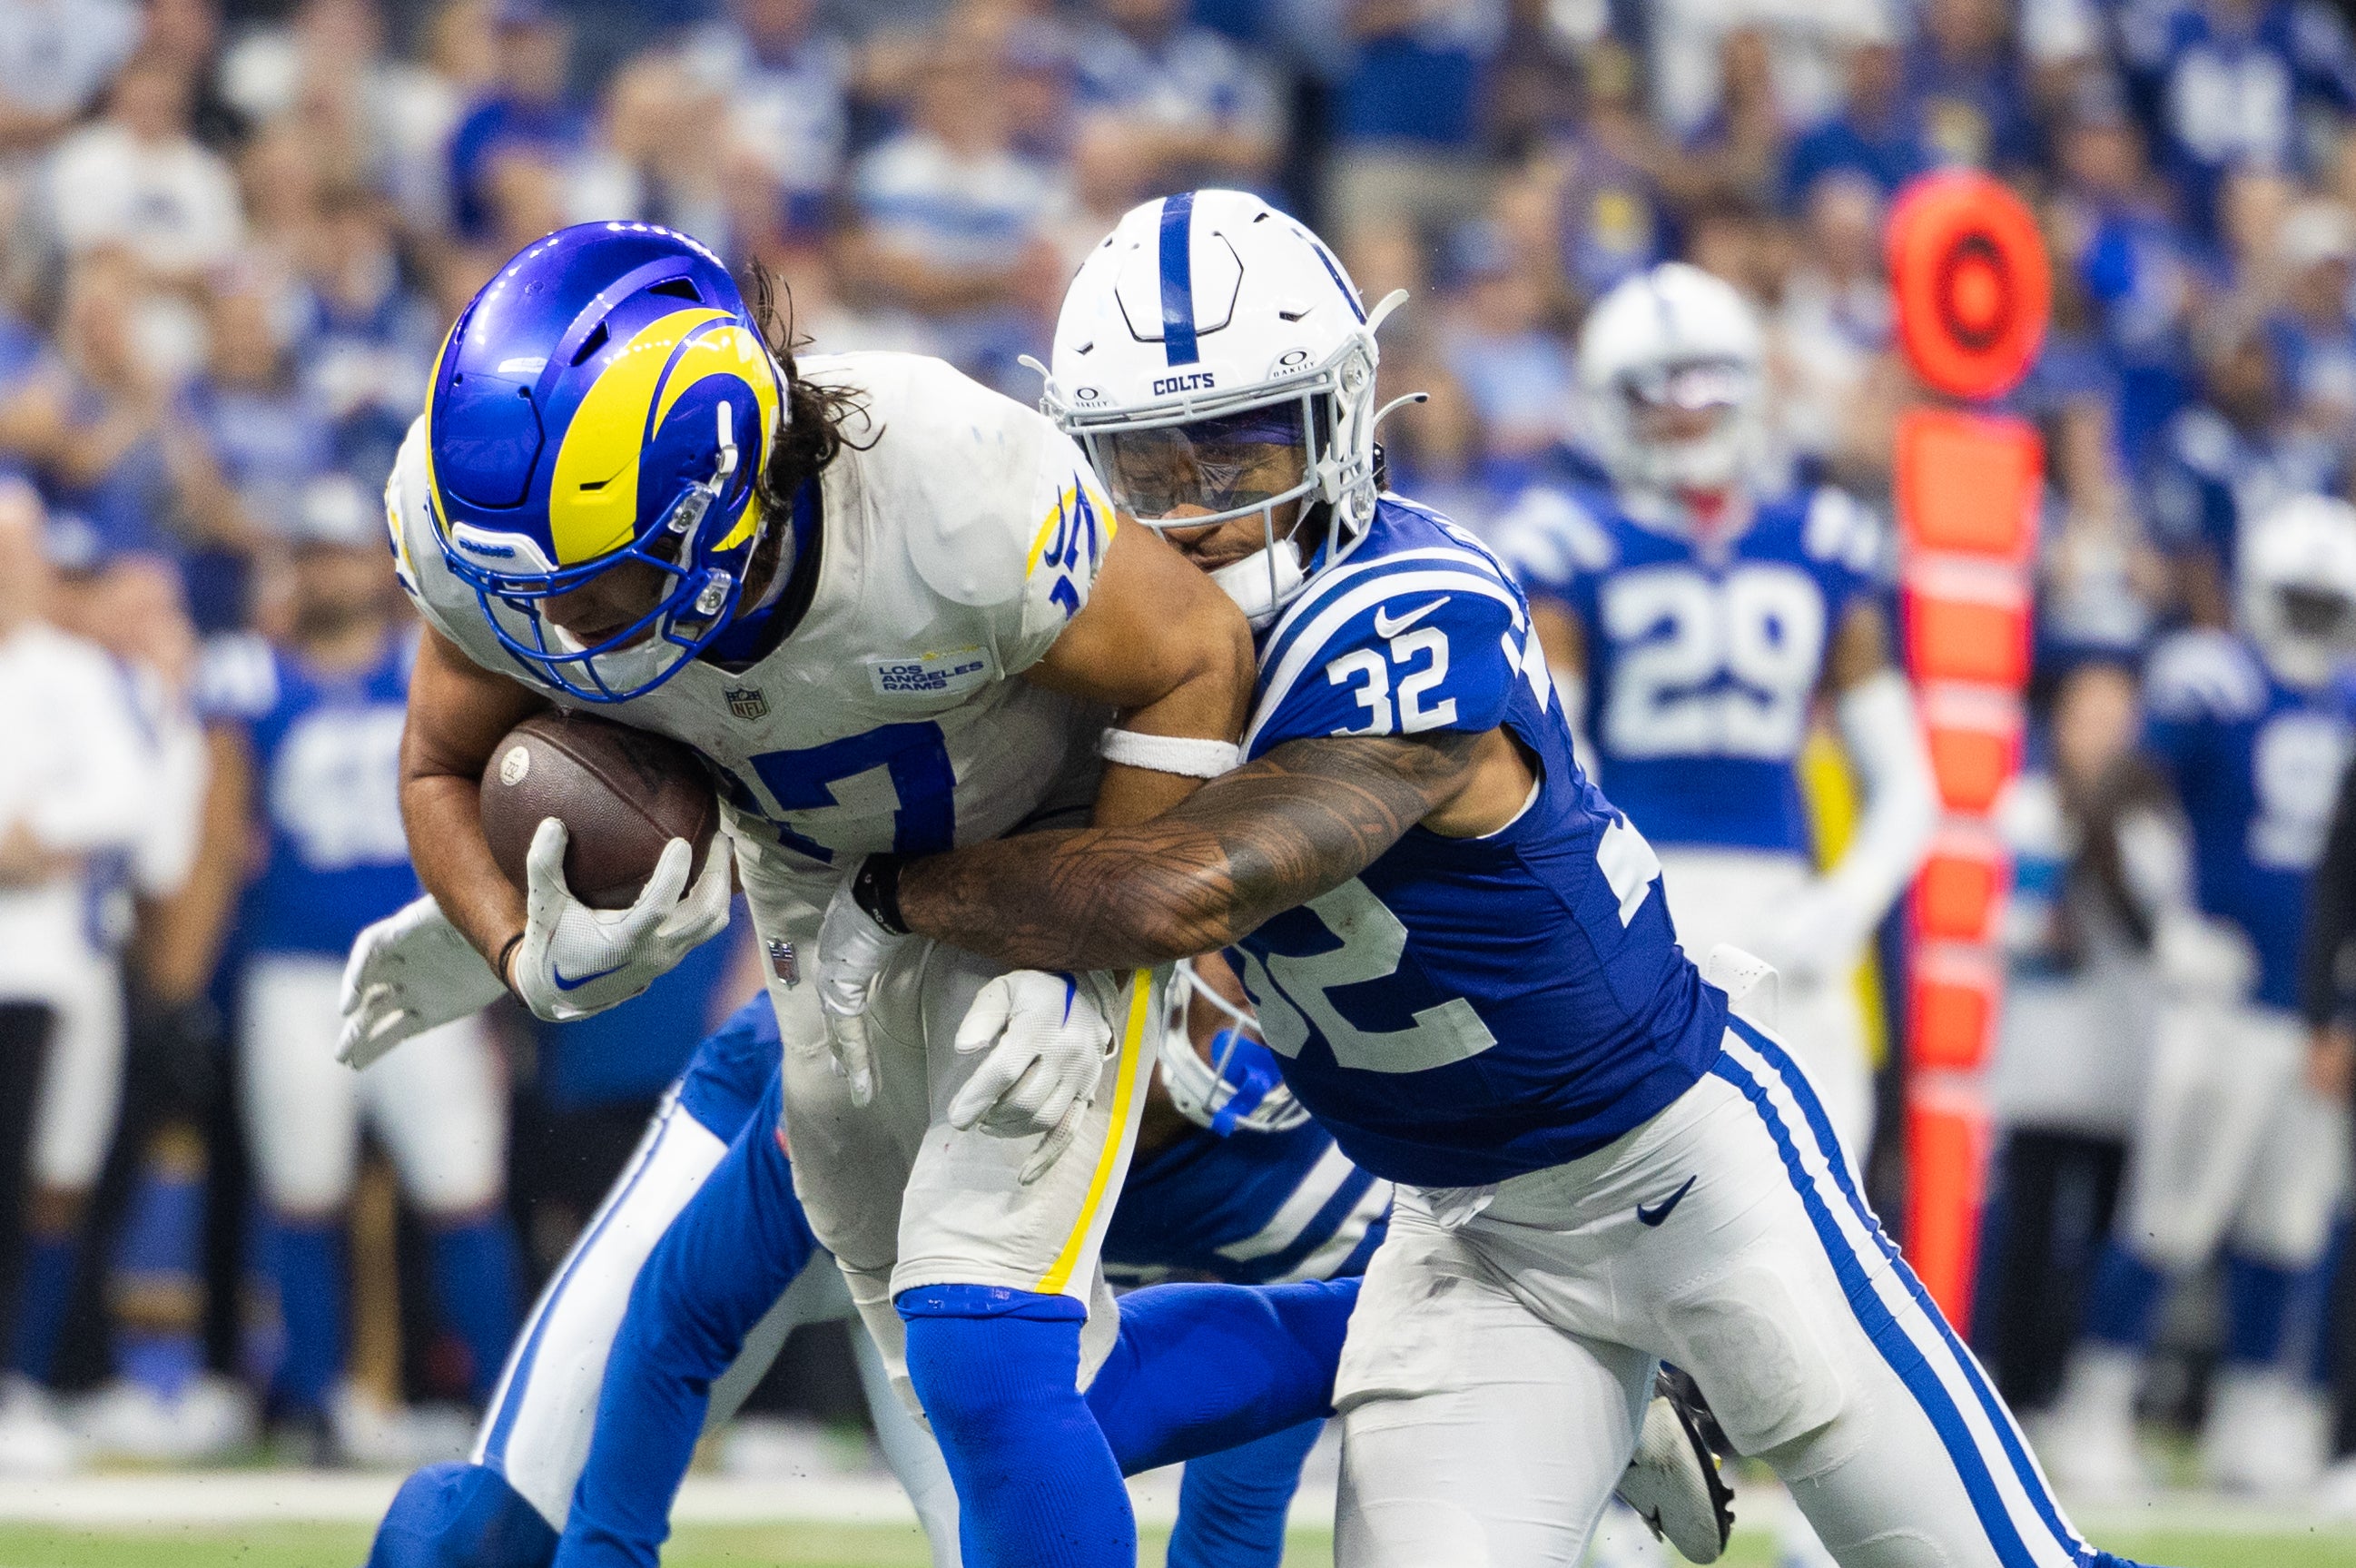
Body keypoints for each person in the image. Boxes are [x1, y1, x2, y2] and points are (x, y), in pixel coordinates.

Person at [817, 187, 2156, 1568]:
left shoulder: (1406, 606)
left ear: (1338, 418)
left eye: (1238, 446)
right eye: (1147, 463)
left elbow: (1184, 887)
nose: (1198, 508)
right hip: (1464, 1233)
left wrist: (878, 882)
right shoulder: (1113, 650)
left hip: (1683, 1161)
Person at [378, 220, 1258, 1566]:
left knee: (987, 1351)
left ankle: (1394, 1327)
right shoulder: (504, 539)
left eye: (596, 580)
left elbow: (1196, 649)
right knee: (932, 1352)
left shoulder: (948, 491)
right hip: (821, 915)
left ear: (716, 494)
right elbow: (441, 758)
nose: (554, 630)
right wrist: (513, 947)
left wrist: (1087, 932)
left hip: (1036, 854)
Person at [345, 944, 1729, 1568]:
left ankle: (1581, 1378)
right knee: (469, 1541)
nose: (1238, 1051)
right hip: (822, 1137)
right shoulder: (959, 1063)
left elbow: (1237, 1503)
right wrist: (612, 1549)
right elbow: (681, 1320)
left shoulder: (1291, 1168)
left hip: (973, 1283)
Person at [1497, 261, 1936, 1165]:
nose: (1685, 410)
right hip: (1632, 887)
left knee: (1821, 1188)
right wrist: (1611, 901)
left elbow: (1908, 783)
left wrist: (1841, 906)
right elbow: (1558, 765)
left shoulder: (1819, 536)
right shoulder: (1568, 540)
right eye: (1657, 389)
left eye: (1705, 383)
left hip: (1785, 900)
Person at [191, 476, 522, 1459]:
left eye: (344, 552)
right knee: (303, 1187)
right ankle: (319, 1405)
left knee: (461, 1183)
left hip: (429, 953)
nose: (329, 570)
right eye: (315, 553)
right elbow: (220, 833)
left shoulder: (432, 669)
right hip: (295, 964)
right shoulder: (249, 679)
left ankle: (504, 1400)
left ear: (377, 568)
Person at [2041, 492, 2356, 1499]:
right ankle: (2095, 1405)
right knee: (2169, 1214)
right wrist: (2159, 928)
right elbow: (2115, 793)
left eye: (2324, 607)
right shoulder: (2213, 680)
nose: (2307, 626)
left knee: (2289, 1223)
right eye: (2295, 604)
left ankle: (2256, 1414)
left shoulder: (2344, 700)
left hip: (2309, 1012)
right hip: (2216, 1001)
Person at [0, 480, 150, 1475]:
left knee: (41, 1177)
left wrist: (40, 834)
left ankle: (21, 1376)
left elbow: (124, 794)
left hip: (47, 958)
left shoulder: (75, 671)